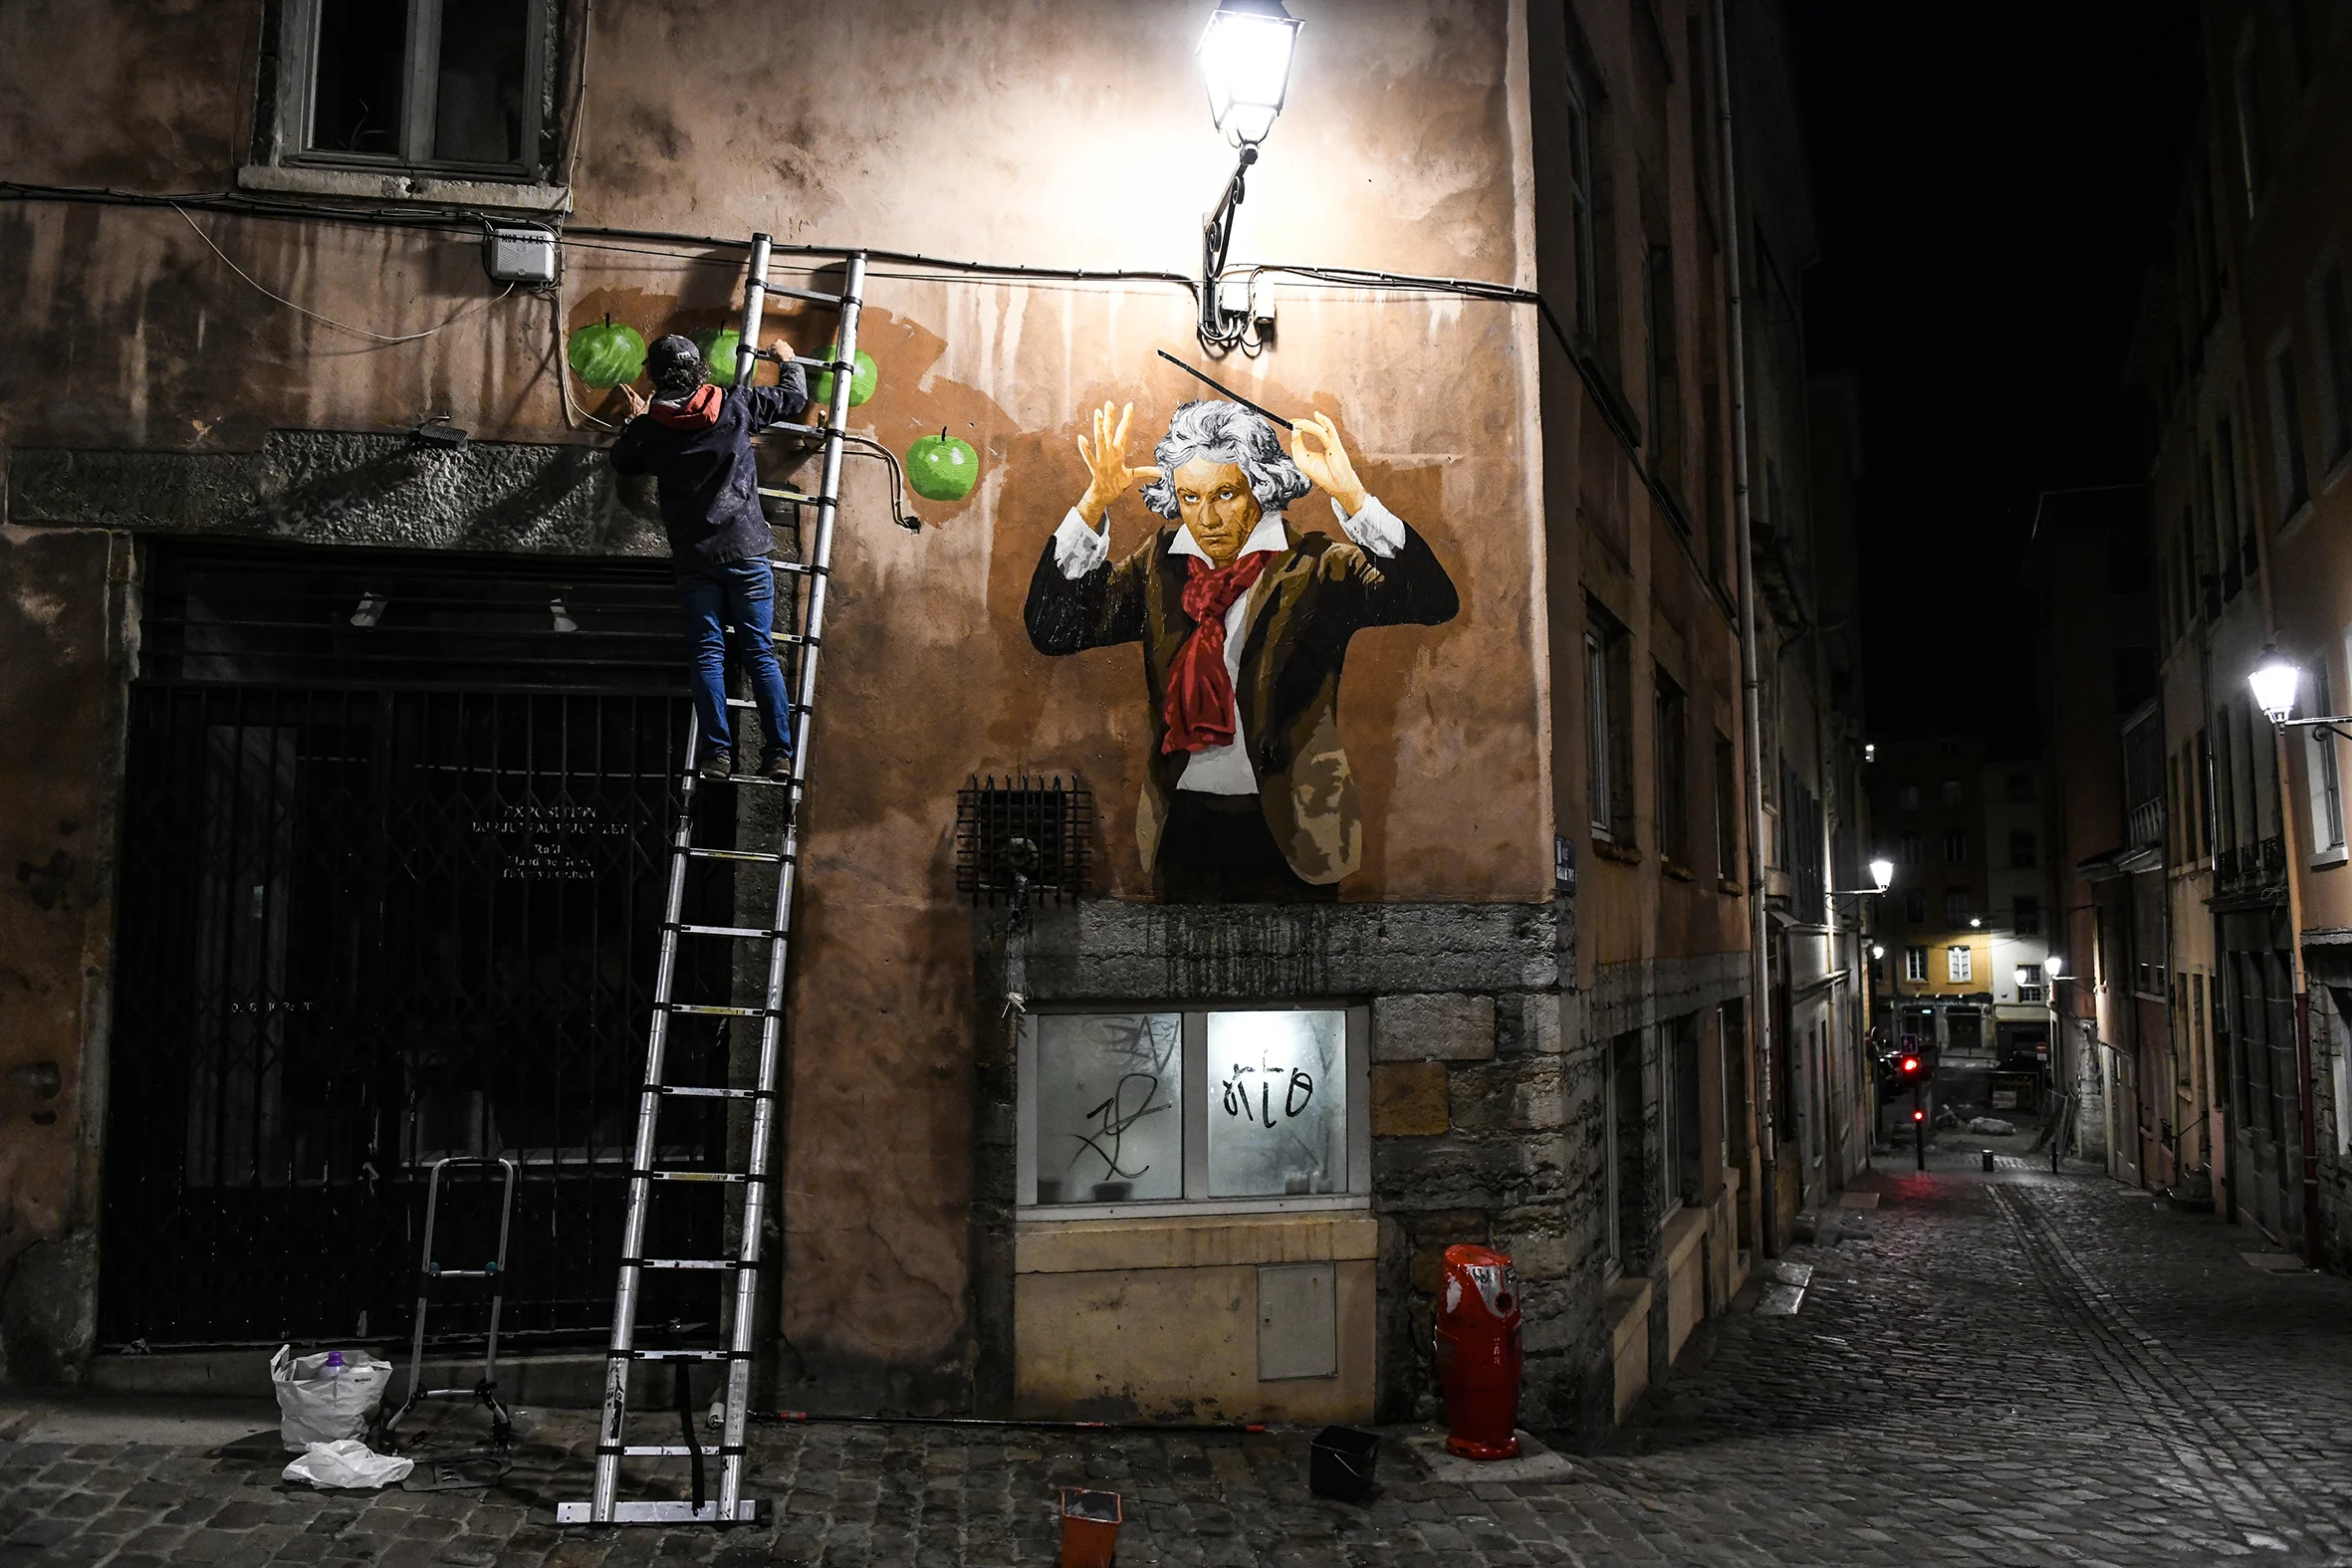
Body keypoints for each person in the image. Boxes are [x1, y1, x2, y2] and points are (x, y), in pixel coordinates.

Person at [1024, 399, 1457, 901]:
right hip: (1182, 825)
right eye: (1189, 497)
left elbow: (1433, 601)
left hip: (1296, 833)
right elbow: (1053, 631)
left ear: (1263, 486)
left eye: (1225, 494)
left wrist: (1355, 499)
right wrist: (1094, 503)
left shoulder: (1316, 567)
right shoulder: (1158, 567)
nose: (1206, 518)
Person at [608, 334, 809, 783]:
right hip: (746, 549)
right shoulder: (735, 403)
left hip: (696, 559)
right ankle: (779, 753)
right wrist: (788, 360)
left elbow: (623, 461)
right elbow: (793, 399)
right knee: (760, 652)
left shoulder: (651, 428)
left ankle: (717, 755)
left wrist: (636, 421)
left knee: (707, 655)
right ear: (698, 369)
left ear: (655, 375)